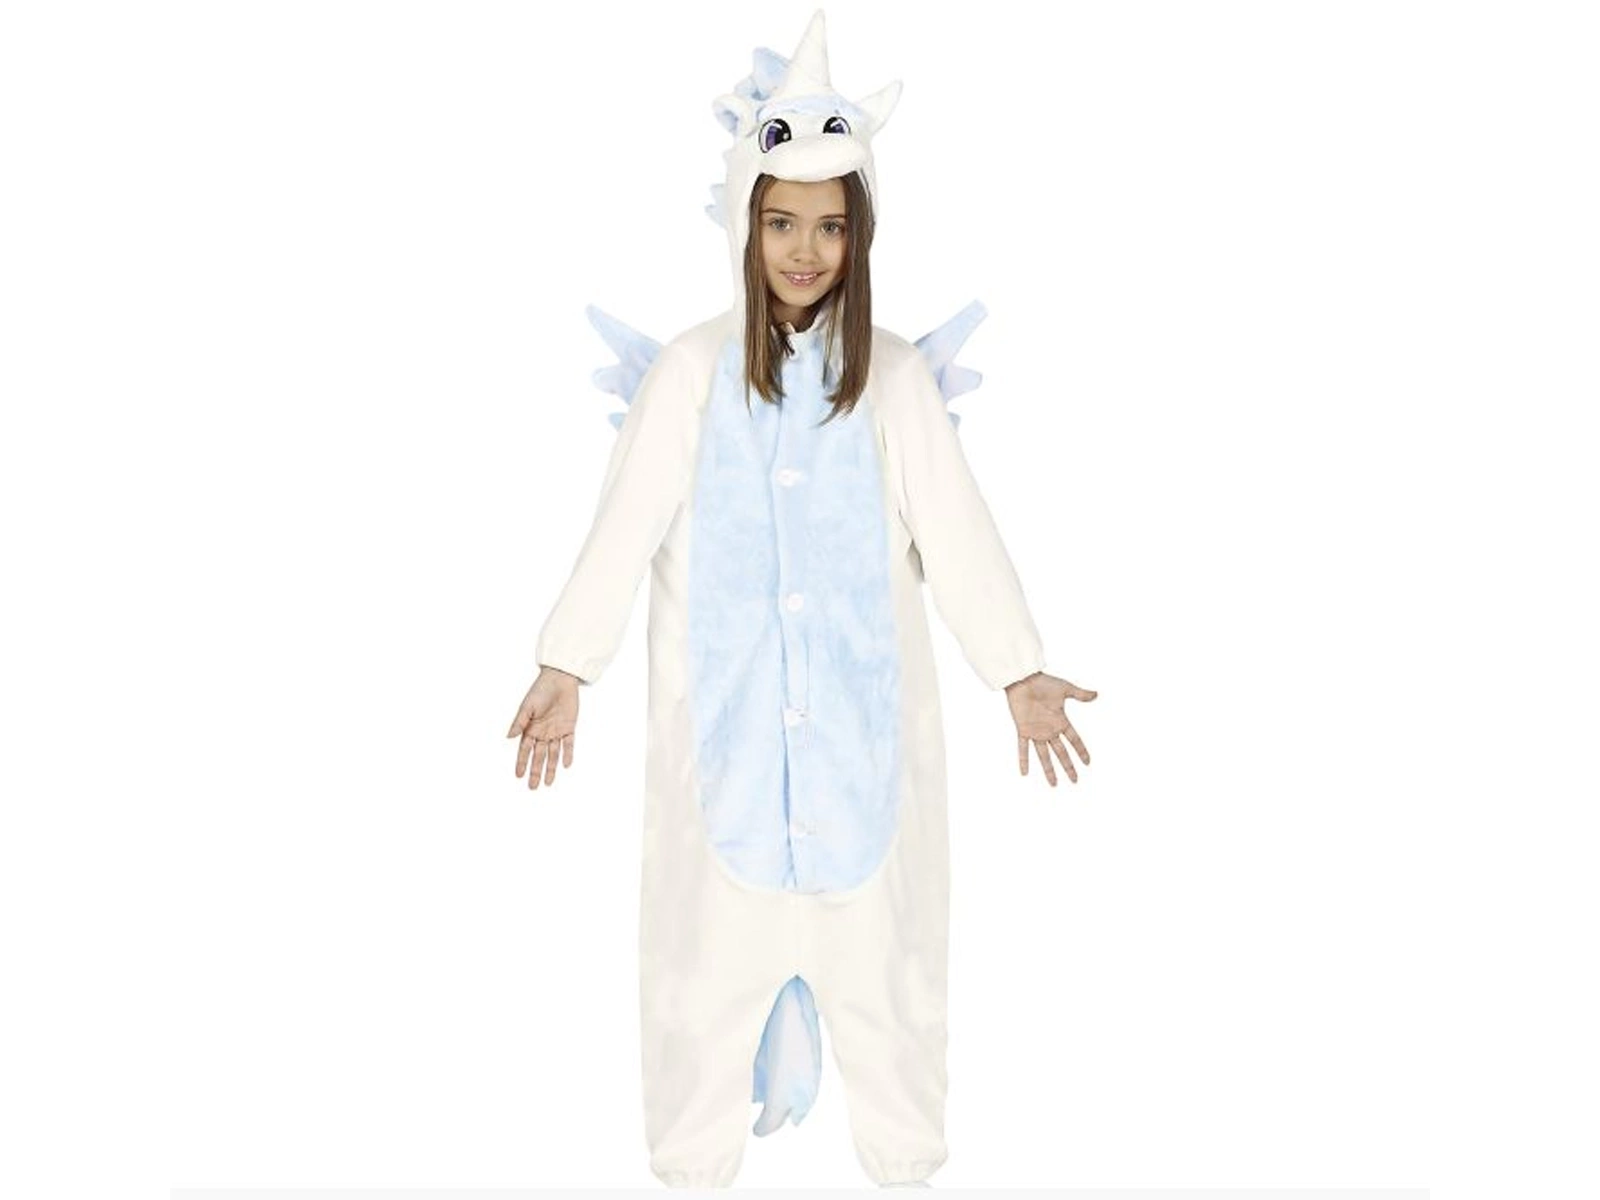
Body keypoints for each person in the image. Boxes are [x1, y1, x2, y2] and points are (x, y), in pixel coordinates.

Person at [504, 10, 1096, 1188]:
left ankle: (904, 1164)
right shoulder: (690, 376)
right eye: (782, 222)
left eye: (830, 227)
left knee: (892, 989)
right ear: (745, 223)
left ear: (859, 237)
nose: (805, 251)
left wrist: (1017, 669)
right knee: (696, 989)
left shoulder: (894, 382)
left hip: (867, 759)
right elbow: (623, 525)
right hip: (716, 755)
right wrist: (567, 663)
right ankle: (692, 1166)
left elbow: (959, 529)